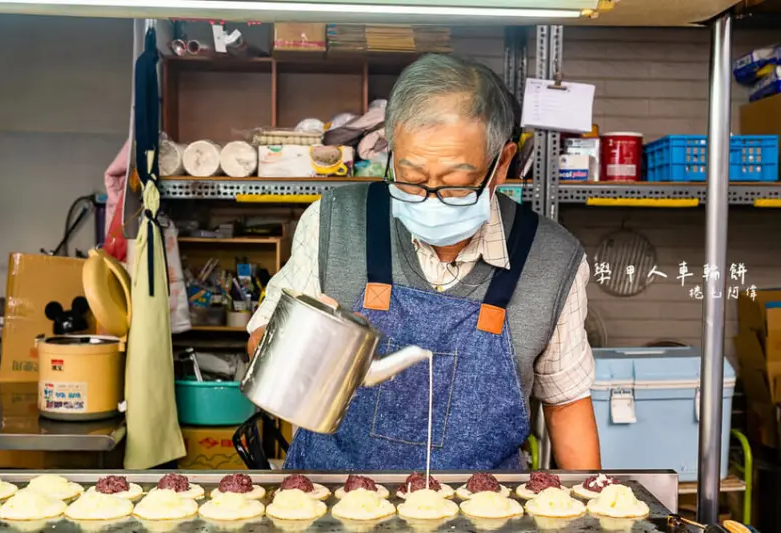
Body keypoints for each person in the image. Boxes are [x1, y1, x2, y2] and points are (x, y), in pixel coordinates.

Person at [247, 54, 600, 470]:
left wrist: (593, 499)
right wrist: (301, 339)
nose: (429, 199)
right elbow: (260, 342)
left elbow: (566, 403)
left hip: (483, 501)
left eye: (455, 185)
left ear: (502, 163)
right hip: (330, 495)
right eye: (412, 179)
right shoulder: (335, 220)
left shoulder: (552, 259)